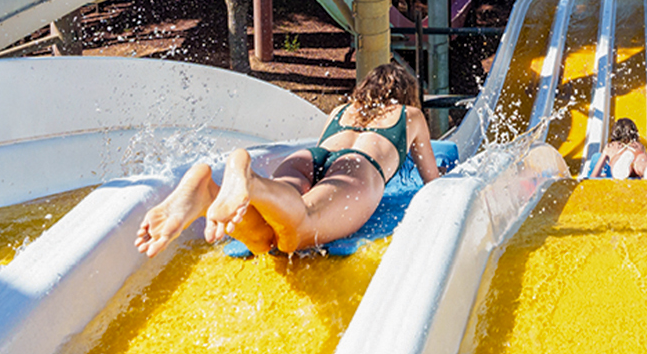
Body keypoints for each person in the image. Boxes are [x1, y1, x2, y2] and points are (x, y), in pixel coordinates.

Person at [136, 62, 442, 258]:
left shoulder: (340, 112)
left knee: (267, 237)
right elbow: (432, 180)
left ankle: (209, 194)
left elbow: (325, 155)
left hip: (310, 158)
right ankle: (249, 181)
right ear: (406, 95)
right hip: (358, 168)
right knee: (300, 227)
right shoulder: (409, 115)